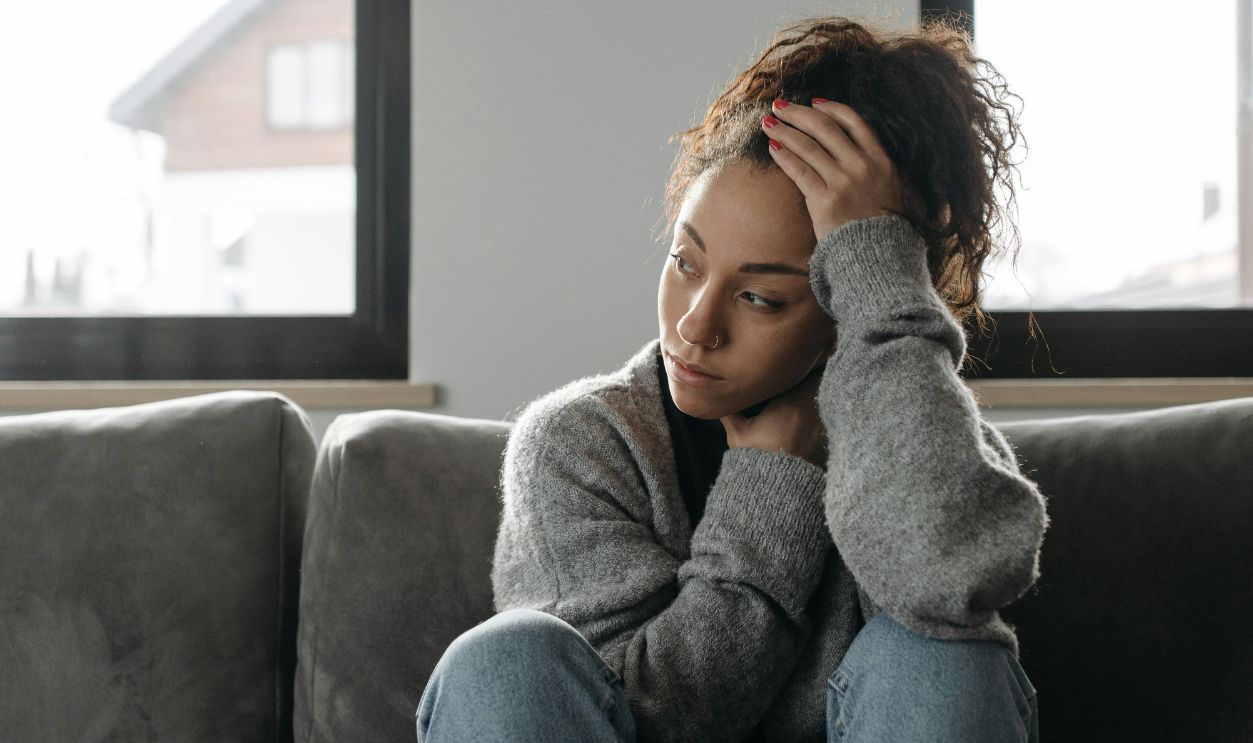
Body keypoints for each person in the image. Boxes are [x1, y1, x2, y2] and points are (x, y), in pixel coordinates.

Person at [416, 14, 1048, 743]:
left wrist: (878, 267)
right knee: (504, 659)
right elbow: (647, 720)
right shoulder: (580, 443)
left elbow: (947, 586)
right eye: (685, 263)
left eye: (760, 297)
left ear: (848, 302)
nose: (694, 325)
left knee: (943, 658)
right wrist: (769, 486)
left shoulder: (939, 451)